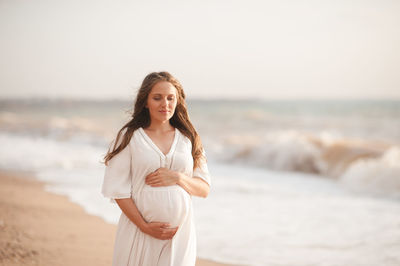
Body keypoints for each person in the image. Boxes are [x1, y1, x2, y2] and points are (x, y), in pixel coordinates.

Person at [101, 71, 211, 266]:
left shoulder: (189, 138)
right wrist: (144, 226)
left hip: (180, 236)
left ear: (178, 101)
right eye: (157, 98)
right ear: (145, 101)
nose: (165, 104)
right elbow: (118, 191)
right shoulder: (129, 137)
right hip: (139, 232)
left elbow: (204, 189)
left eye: (170, 98)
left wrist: (177, 178)